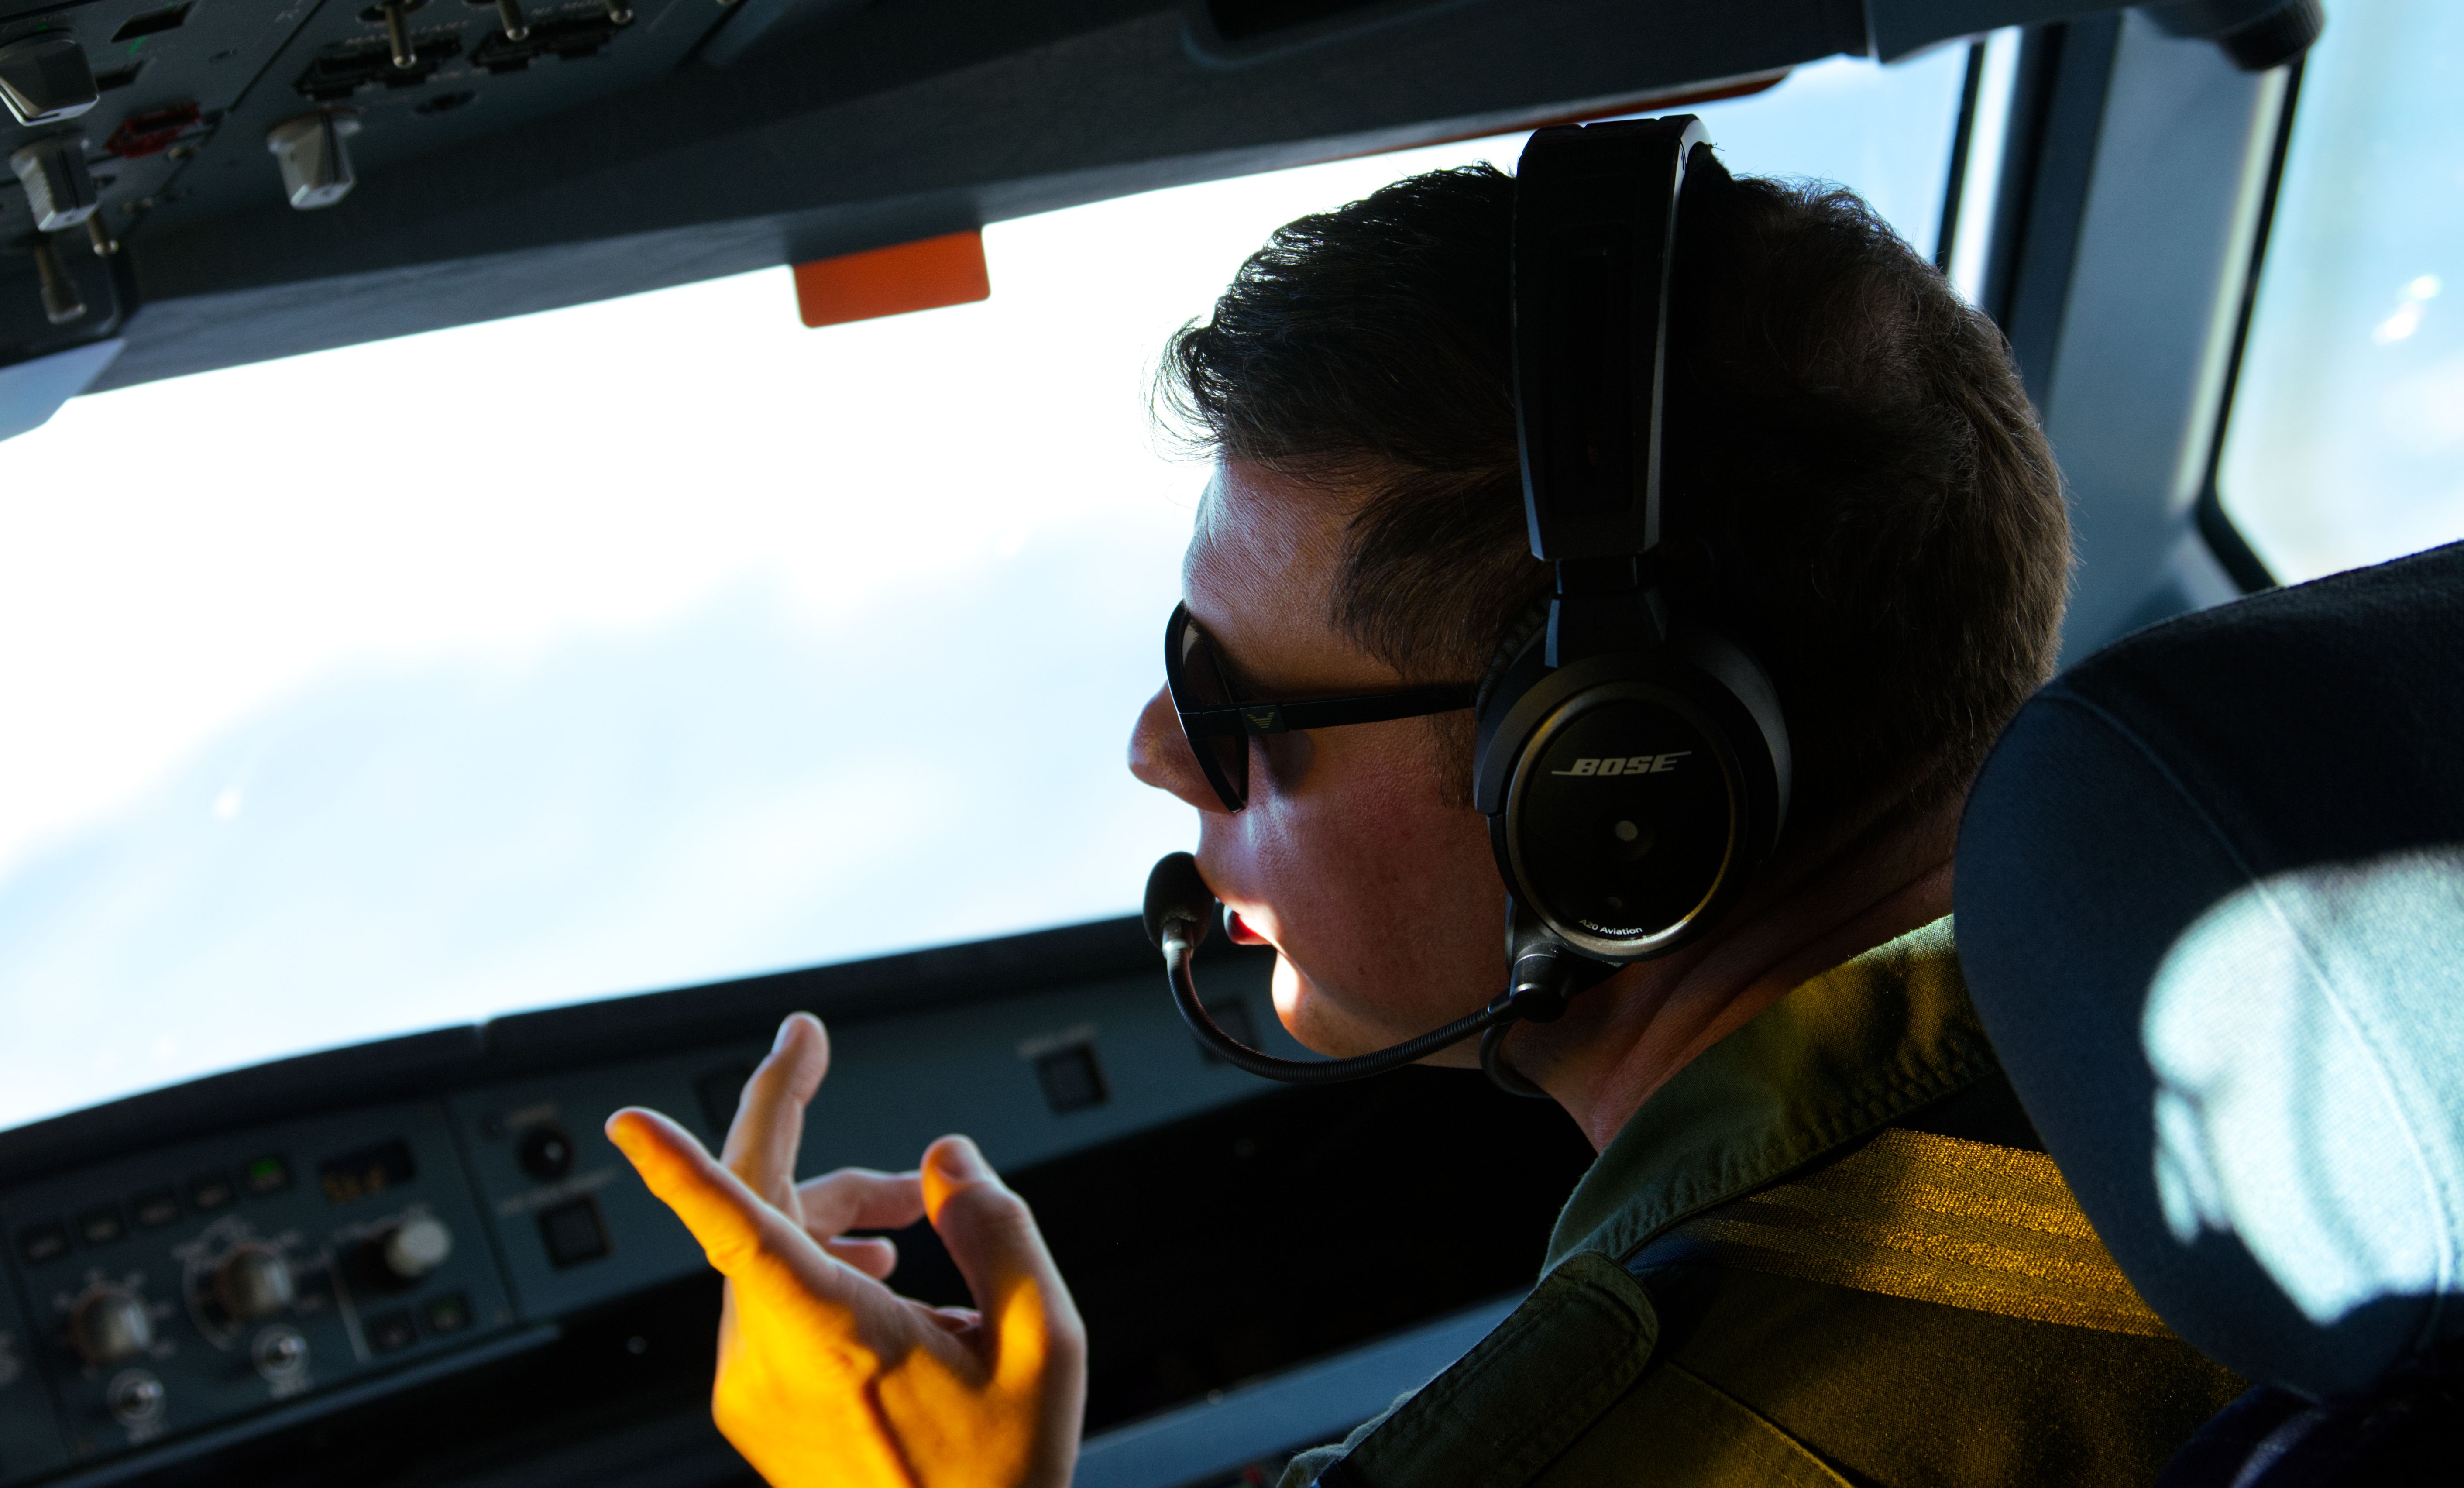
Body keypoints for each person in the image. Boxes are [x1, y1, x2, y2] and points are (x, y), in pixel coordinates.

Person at [607, 146, 2248, 1487]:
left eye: (1239, 702)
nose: (1158, 754)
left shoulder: (1622, 1445)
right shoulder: (2227, 1022)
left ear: (1614, 781)